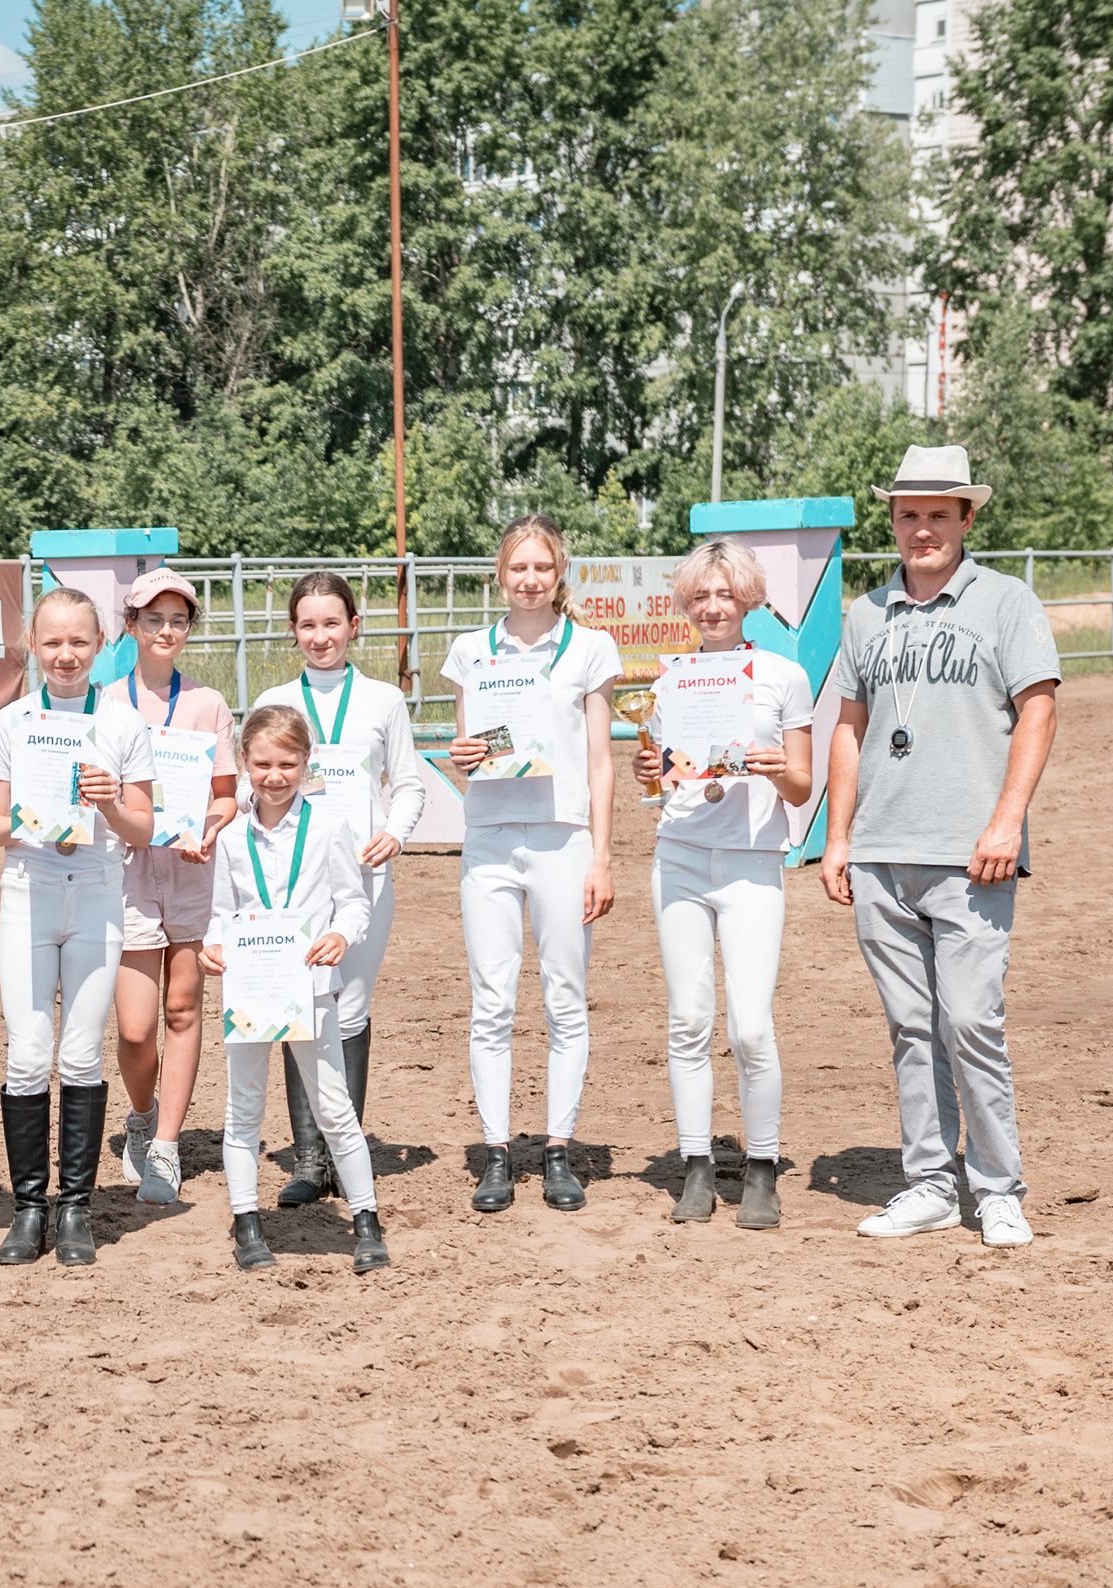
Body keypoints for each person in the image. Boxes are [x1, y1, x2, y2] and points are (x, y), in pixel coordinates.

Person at [824, 445, 1059, 1249]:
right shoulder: (866, 613)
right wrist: (839, 837)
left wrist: (1006, 820)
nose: (921, 529)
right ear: (892, 520)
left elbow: (1038, 712)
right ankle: (929, 1182)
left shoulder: (1006, 601)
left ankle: (999, 1188)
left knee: (970, 1021)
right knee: (911, 1027)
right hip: (881, 855)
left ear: (966, 518)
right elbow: (850, 728)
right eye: (908, 514)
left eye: (938, 514)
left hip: (972, 854)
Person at [441, 516, 624, 1213]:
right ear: (500, 573)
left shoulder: (590, 648)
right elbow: (468, 748)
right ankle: (495, 1151)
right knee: (492, 998)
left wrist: (602, 854)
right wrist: (461, 759)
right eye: (518, 568)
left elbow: (601, 761)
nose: (529, 579)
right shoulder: (469, 650)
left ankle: (556, 1148)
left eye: (541, 568)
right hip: (489, 836)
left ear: (559, 572)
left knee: (562, 996)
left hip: (561, 838)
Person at [630, 541, 814, 1230]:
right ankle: (698, 1165)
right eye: (701, 596)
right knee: (687, 1018)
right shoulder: (668, 679)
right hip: (679, 854)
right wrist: (649, 766)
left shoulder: (783, 675)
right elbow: (657, 778)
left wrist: (770, 767)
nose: (713, 607)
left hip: (750, 859)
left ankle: (762, 1165)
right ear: (685, 603)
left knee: (752, 1026)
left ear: (750, 599)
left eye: (726, 594)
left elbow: (802, 784)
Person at [0, 588, 157, 1265]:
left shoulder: (121, 722)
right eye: (52, 642)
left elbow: (144, 827)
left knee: (81, 1052)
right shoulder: (12, 722)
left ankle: (75, 1207)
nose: (65, 654)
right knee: (27, 1054)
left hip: (99, 892)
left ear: (100, 642)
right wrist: (29, 813)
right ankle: (29, 1207)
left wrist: (109, 801)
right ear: (32, 644)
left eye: (79, 641)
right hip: (31, 891)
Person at [252, 571, 426, 1208]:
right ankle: (307, 1157)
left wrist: (396, 836)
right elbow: (259, 783)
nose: (320, 637)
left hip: (365, 880)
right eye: (307, 624)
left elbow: (408, 784)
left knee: (348, 1008)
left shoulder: (384, 700)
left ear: (354, 625)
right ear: (293, 630)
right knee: (300, 1008)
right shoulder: (276, 697)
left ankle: (341, 1148)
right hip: (294, 888)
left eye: (332, 623)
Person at [202, 705, 389, 1274]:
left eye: (287, 763)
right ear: (244, 763)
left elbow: (354, 901)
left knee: (333, 1106)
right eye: (262, 763)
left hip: (310, 987)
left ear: (307, 764)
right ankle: (247, 1222)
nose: (275, 775)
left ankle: (365, 1219)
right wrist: (213, 949)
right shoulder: (232, 837)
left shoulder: (330, 828)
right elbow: (220, 915)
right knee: (244, 1110)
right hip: (253, 990)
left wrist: (339, 933)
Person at [110, 567, 238, 1207]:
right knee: (135, 1029)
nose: (166, 630)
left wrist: (210, 830)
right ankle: (141, 1114)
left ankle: (164, 1145)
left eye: (178, 620)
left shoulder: (208, 704)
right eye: (153, 618)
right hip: (127, 873)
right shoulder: (104, 702)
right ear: (130, 625)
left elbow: (225, 797)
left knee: (183, 1009)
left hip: (189, 869)